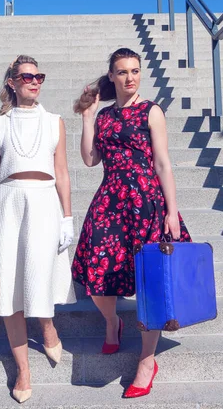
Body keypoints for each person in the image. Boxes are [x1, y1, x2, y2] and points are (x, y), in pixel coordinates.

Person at [72, 47, 191, 399]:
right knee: (96, 277)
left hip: (147, 203)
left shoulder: (152, 111)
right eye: (122, 71)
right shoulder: (106, 117)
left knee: (152, 283)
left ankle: (146, 360)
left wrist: (171, 211)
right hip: (109, 201)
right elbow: (91, 160)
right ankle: (113, 322)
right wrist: (88, 117)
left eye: (135, 71)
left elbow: (163, 164)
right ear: (111, 75)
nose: (130, 77)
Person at [0, 55, 76, 404]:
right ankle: (23, 370)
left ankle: (47, 329)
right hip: (7, 203)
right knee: (9, 291)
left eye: (39, 76)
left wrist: (67, 217)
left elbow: (62, 173)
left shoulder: (55, 122)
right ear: (12, 83)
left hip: (45, 202)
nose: (34, 81)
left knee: (39, 275)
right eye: (27, 77)